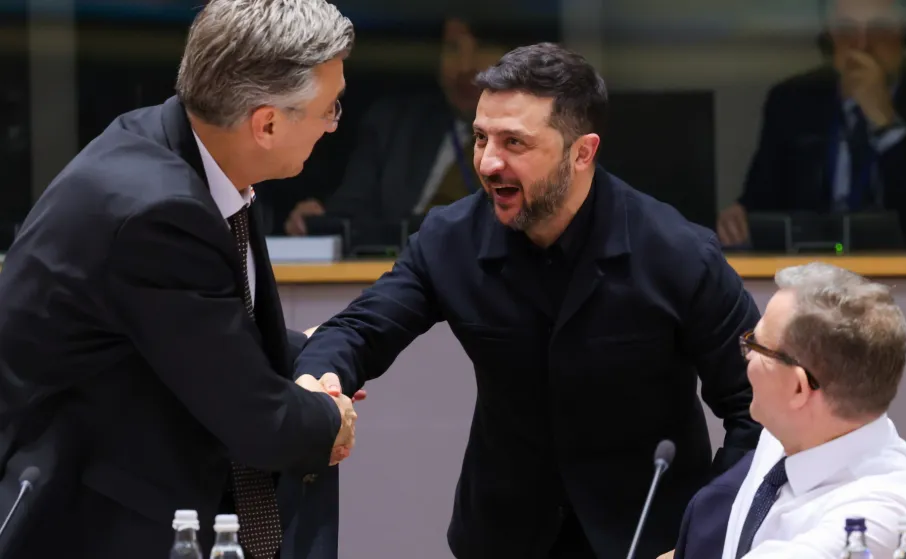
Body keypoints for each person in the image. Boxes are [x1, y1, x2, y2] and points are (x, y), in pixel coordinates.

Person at [296, 43, 762, 559]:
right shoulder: (451, 237)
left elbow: (759, 410)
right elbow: (359, 330)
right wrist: (319, 383)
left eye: (514, 142)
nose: (489, 162)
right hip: (504, 535)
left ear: (582, 152)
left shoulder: (677, 252)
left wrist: (705, 533)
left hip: (651, 537)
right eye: (480, 138)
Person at [0, 1, 358, 557]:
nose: (334, 124)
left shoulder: (175, 144)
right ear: (266, 123)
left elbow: (187, 322)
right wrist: (327, 416)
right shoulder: (157, 212)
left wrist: (300, 350)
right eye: (330, 108)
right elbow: (258, 424)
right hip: (89, 520)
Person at [716, 262, 906, 558]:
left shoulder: (884, 525)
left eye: (757, 345)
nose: (748, 355)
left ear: (798, 388)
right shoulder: (790, 433)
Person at [717, 0, 906, 247]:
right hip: (815, 272)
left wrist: (886, 123)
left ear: (905, 33)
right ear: (829, 35)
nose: (861, 45)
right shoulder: (791, 100)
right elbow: (761, 204)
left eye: (879, 29)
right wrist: (740, 221)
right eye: (846, 29)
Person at [282, 14, 510, 238]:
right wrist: (316, 222)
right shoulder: (393, 126)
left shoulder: (536, 138)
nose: (464, 65)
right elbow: (348, 215)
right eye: (452, 48)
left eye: (481, 46)